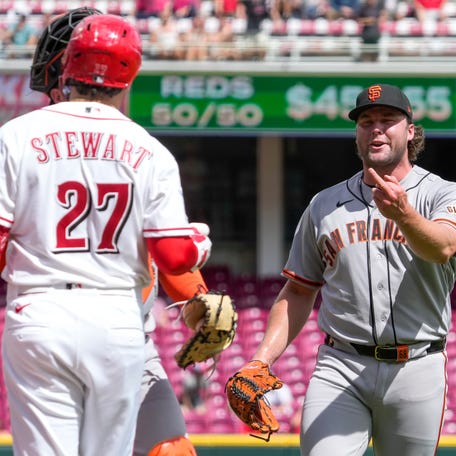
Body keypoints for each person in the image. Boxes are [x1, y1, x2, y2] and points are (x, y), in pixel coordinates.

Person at [0, 13, 212, 455]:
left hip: (41, 309)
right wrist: (197, 244)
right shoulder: (150, 149)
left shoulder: (15, 136)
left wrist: (196, 302)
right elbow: (174, 255)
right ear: (130, 75)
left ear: (66, 69)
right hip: (117, 319)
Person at [232, 83, 456, 455]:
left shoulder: (442, 193)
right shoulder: (324, 205)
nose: (377, 128)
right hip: (341, 365)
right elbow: (299, 290)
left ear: (411, 131)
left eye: (388, 119)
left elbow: (443, 246)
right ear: (357, 133)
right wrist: (261, 360)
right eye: (366, 121)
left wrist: (403, 215)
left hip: (416, 366)